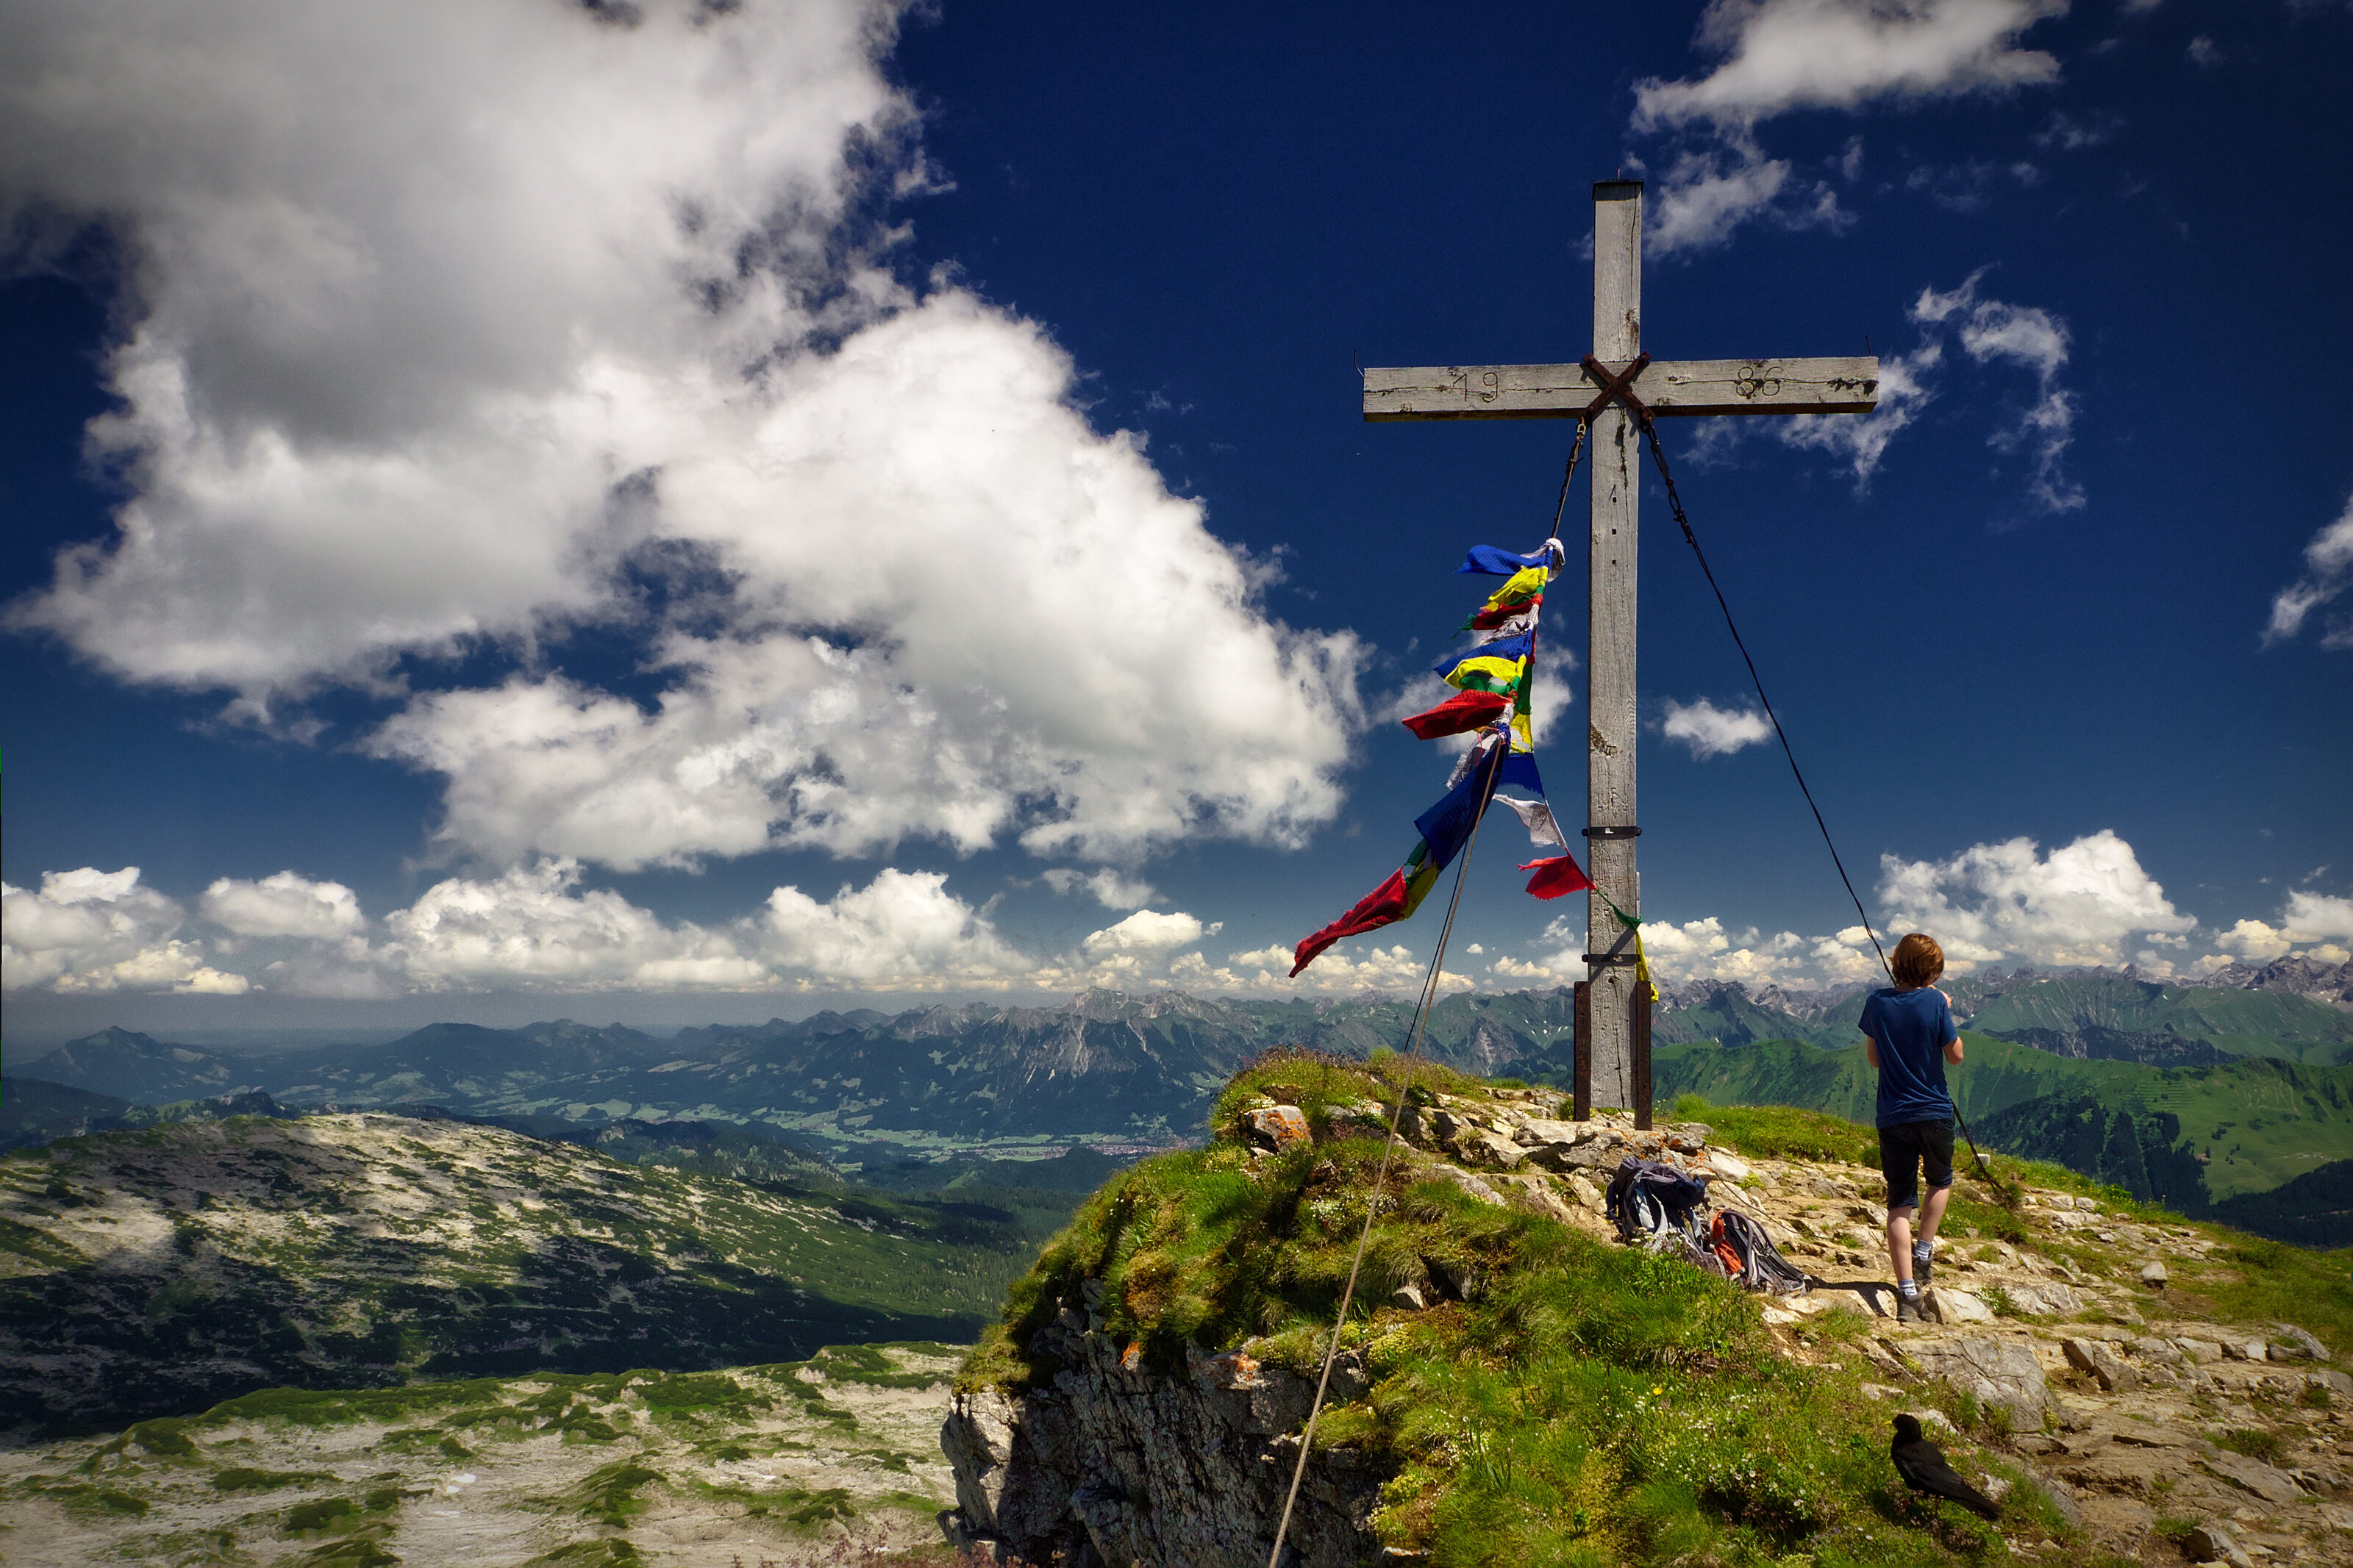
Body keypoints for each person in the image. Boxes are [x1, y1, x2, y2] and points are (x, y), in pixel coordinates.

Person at [1860, 932, 1963, 1322]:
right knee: (1940, 1181)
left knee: (1900, 1203)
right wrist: (1943, 1010)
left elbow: (1874, 1060)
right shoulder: (1936, 1001)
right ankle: (1924, 1250)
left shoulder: (1876, 1002)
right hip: (1934, 1111)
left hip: (1892, 1115)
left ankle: (1905, 1293)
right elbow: (1955, 1056)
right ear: (1932, 971)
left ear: (1897, 963)